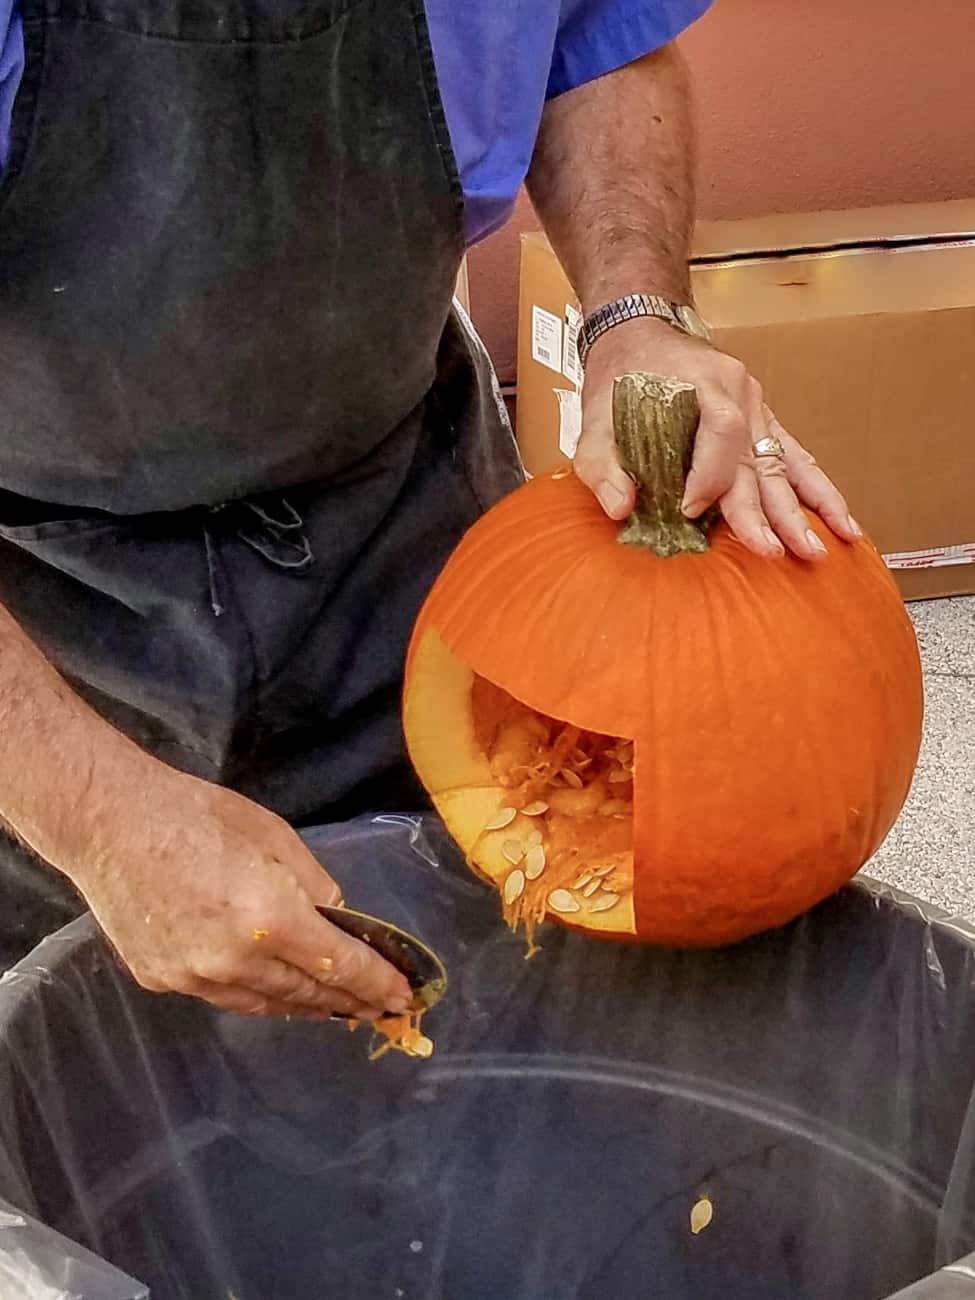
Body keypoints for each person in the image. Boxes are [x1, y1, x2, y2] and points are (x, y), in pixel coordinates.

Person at [0, 1, 856, 1016]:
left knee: (470, 1018)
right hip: (39, 620)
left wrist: (637, 314)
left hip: (400, 535)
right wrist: (97, 813)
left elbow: (599, 45)